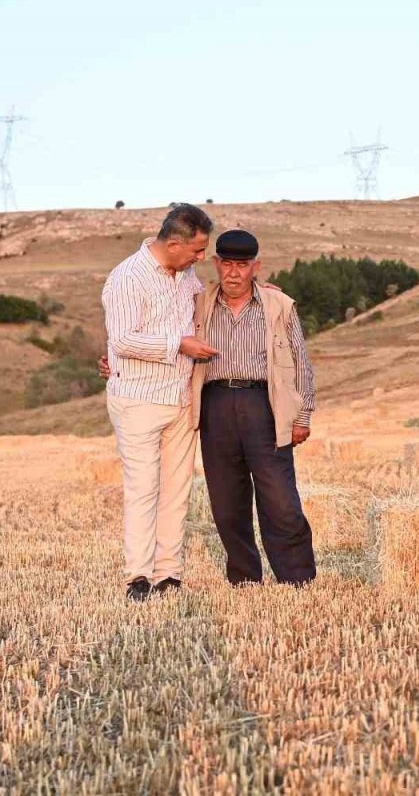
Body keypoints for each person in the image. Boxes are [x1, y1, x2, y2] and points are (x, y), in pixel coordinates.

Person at [101, 204, 219, 602]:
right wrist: (179, 344)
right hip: (137, 399)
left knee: (176, 489)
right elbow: (123, 340)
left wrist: (258, 290)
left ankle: (169, 572)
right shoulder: (126, 278)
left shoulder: (187, 277)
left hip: (181, 397)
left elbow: (207, 306)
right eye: (197, 251)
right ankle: (138, 574)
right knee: (143, 487)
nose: (201, 258)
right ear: (173, 244)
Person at [191, 229, 318, 586]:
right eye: (227, 264)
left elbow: (300, 361)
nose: (233, 273)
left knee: (280, 498)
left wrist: (302, 415)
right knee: (227, 500)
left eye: (242, 265)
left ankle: (297, 578)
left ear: (255, 267)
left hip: (265, 404)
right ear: (216, 264)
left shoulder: (280, 305)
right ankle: (244, 578)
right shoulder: (197, 303)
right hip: (214, 405)